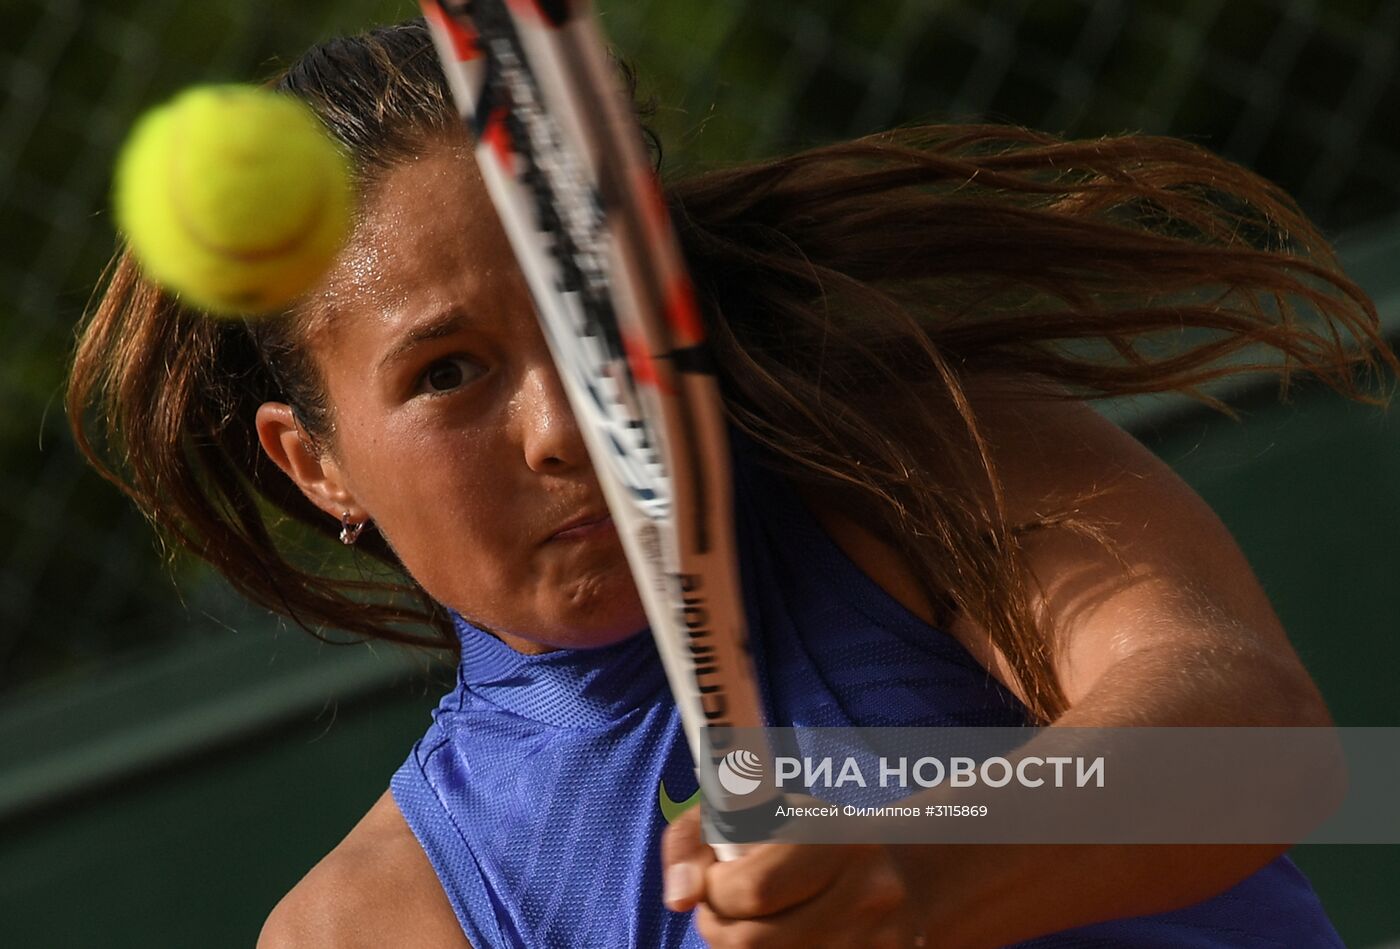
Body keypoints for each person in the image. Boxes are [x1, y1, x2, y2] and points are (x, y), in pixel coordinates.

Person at [68, 18, 1396, 949]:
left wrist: (917, 868)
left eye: (599, 319)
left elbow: (1265, 748)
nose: (566, 422)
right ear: (319, 463)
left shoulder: (911, 462)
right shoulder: (366, 926)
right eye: (449, 373)